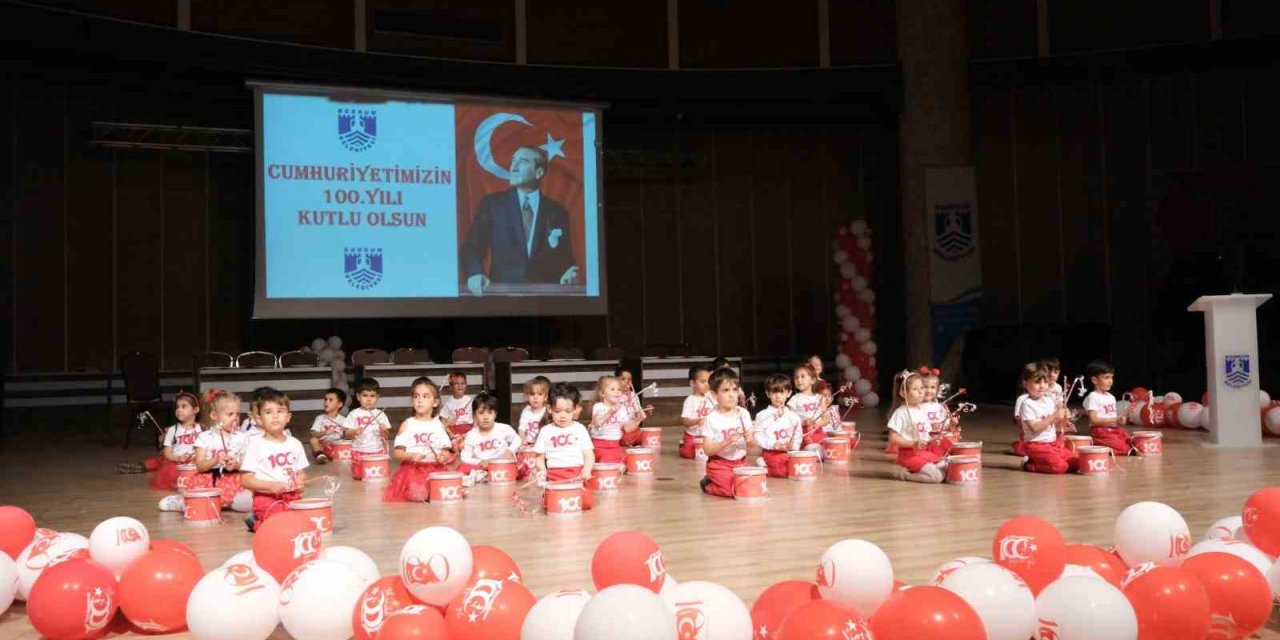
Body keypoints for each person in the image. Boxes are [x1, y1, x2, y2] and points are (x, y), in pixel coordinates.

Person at [460, 146, 578, 294]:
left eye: (522, 162)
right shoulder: (493, 205)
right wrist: (475, 273)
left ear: (539, 172)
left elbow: (564, 259)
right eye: (513, 161)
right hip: (501, 298)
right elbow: (472, 248)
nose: (513, 167)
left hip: (545, 301)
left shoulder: (557, 212)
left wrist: (568, 273)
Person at [171, 389, 252, 514]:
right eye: (230, 414)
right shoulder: (205, 437)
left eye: (237, 414)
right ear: (214, 415)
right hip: (209, 480)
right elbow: (200, 466)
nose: (235, 418)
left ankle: (224, 502)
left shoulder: (242, 437)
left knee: (248, 503)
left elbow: (248, 465)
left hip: (234, 482)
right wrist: (215, 460)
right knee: (200, 503)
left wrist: (236, 465)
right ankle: (181, 502)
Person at [240, 389, 308, 531]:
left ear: (288, 417)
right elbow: (246, 480)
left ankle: (264, 522)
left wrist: (301, 481)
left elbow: (301, 473)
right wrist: (269, 486)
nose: (275, 416)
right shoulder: (255, 446)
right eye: (268, 412)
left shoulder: (295, 443)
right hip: (267, 499)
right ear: (259, 419)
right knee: (281, 527)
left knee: (304, 523)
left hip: (291, 497)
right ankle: (257, 523)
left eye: (280, 411)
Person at [384, 378, 454, 502]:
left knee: (446, 489)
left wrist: (443, 457)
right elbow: (397, 453)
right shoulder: (407, 424)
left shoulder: (438, 425)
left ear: (435, 402)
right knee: (417, 494)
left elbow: (446, 451)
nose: (420, 400)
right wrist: (411, 456)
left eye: (425, 396)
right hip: (413, 470)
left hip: (435, 468)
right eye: (416, 396)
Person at [532, 382, 595, 511]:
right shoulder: (545, 431)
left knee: (586, 503)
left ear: (576, 409)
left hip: (576, 475)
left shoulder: (580, 429)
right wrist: (542, 472)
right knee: (549, 505)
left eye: (568, 411)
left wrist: (587, 470)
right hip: (554, 476)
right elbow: (539, 458)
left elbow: (589, 454)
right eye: (558, 411)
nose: (562, 416)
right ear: (549, 409)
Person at [886, 370, 953, 483]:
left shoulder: (921, 410)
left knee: (948, 467)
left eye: (921, 388)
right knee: (937, 477)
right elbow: (893, 438)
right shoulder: (901, 413)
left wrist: (932, 440)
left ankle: (917, 469)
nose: (921, 392)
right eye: (915, 389)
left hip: (924, 453)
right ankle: (905, 474)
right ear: (903, 393)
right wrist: (912, 443)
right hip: (909, 455)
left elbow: (924, 435)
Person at [699, 368, 756, 498]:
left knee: (752, 487)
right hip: (719, 464)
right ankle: (708, 484)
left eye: (734, 390)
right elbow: (707, 450)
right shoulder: (712, 418)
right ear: (714, 395)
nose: (731, 395)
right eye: (726, 390)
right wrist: (726, 441)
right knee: (734, 491)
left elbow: (753, 450)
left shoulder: (744, 414)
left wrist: (751, 440)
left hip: (741, 463)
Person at [1018, 363, 1078, 474]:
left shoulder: (1049, 401)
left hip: (1052, 444)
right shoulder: (1027, 404)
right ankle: (1030, 465)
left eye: (1045, 382)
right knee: (1061, 467)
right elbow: (1034, 428)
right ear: (1025, 383)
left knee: (1076, 462)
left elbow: (1052, 424)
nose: (1042, 386)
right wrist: (1054, 415)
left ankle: (1041, 460)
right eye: (1037, 382)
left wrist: (1064, 422)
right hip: (1036, 446)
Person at [457, 392, 520, 484]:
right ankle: (486, 476)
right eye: (481, 413)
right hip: (482, 467)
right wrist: (479, 462)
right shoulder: (471, 435)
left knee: (520, 464)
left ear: (495, 414)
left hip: (502, 464)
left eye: (490, 413)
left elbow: (517, 439)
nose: (486, 417)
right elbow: (464, 457)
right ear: (475, 416)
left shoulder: (504, 428)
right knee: (461, 468)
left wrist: (510, 450)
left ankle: (492, 476)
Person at [752, 374, 803, 478]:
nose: (778, 396)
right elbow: (758, 437)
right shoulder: (762, 415)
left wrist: (794, 446)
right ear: (768, 393)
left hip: (788, 453)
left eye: (782, 392)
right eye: (774, 392)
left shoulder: (793, 416)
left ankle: (765, 467)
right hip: (771, 453)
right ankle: (765, 465)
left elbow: (798, 435)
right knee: (782, 471)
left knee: (796, 469)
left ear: (788, 393)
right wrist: (773, 445)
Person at [150, 391, 202, 491]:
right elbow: (167, 453)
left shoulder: (201, 429)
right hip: (179, 464)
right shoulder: (173, 430)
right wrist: (178, 458)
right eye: (177, 407)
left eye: (183, 406)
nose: (179, 410)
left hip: (196, 463)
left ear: (195, 409)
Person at [589, 375, 645, 465]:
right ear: (602, 393)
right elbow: (597, 423)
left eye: (619, 390)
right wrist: (610, 412)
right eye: (612, 389)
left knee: (631, 462)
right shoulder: (599, 407)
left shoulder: (621, 408)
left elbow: (627, 428)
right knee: (609, 461)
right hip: (600, 446)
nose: (617, 392)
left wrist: (638, 420)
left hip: (615, 445)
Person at [344, 378, 391, 481]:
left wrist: (384, 431)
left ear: (377, 397)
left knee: (374, 477)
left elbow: (387, 436)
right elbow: (346, 434)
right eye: (365, 395)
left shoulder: (381, 415)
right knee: (358, 476)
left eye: (372, 396)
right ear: (358, 397)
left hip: (376, 451)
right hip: (359, 451)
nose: (369, 399)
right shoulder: (353, 414)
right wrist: (354, 432)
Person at [1084, 361, 1132, 455]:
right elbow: (1093, 420)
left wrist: (1120, 421)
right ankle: (1097, 446)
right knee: (1125, 449)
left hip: (1114, 429)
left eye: (1111, 377)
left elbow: (1112, 417)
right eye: (1106, 378)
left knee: (1132, 443)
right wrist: (1115, 419)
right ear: (1095, 380)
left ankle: (1107, 445)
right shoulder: (1093, 397)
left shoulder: (1111, 397)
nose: (1110, 381)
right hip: (1100, 431)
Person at [788, 364, 830, 454]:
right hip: (804, 434)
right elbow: (790, 420)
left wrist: (817, 424)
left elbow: (827, 419)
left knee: (829, 447)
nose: (799, 380)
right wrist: (803, 422)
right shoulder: (794, 399)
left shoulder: (819, 398)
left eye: (803, 377)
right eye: (796, 378)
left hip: (819, 432)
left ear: (812, 380)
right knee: (814, 450)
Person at [679, 365, 714, 459]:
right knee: (689, 453)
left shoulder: (711, 398)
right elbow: (685, 421)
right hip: (693, 436)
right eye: (703, 381)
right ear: (692, 383)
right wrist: (696, 421)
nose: (707, 384)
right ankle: (683, 446)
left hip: (708, 437)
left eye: (708, 381)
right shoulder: (690, 400)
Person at [614, 364, 652, 446]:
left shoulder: (633, 395)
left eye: (629, 380)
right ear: (615, 380)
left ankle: (631, 441)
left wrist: (645, 411)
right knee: (623, 438)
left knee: (648, 437)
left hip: (634, 428)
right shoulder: (614, 396)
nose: (627, 382)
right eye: (623, 379)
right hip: (621, 430)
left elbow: (639, 412)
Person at [309, 387, 347, 463]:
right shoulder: (320, 418)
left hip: (336, 445)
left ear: (339, 404)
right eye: (326, 399)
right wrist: (324, 432)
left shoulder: (344, 420)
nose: (327, 402)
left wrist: (346, 433)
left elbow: (347, 436)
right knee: (313, 440)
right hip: (323, 446)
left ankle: (332, 455)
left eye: (330, 400)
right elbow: (313, 433)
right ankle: (321, 456)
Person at [440, 371, 475, 441]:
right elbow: (443, 422)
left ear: (466, 385)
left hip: (469, 431)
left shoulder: (471, 401)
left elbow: (476, 419)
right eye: (456, 384)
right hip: (454, 432)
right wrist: (450, 433)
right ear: (451, 387)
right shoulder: (448, 404)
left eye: (463, 383)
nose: (460, 385)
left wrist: (471, 433)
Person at [517, 376, 551, 445]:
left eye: (540, 394)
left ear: (545, 397)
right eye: (532, 394)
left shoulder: (547, 409)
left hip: (545, 443)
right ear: (527, 397)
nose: (535, 397)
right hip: (529, 443)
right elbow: (521, 429)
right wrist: (522, 441)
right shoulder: (526, 411)